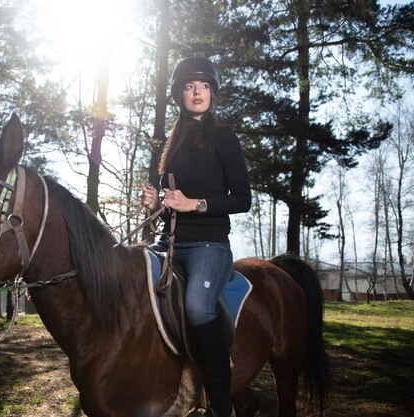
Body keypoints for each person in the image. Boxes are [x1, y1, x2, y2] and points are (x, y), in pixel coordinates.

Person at [141, 57, 251, 417]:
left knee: (195, 306)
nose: (197, 92)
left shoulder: (223, 136)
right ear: (180, 95)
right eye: (189, 86)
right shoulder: (170, 144)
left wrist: (194, 204)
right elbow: (171, 202)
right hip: (170, 245)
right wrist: (156, 203)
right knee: (131, 283)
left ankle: (219, 405)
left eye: (203, 85)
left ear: (213, 93)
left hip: (209, 246)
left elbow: (242, 199)